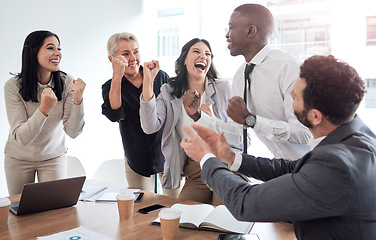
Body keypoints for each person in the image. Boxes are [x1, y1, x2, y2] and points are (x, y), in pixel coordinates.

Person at [180, 55, 376, 240]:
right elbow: (291, 169)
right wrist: (230, 157)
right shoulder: (356, 137)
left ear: (316, 116)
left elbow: (245, 203)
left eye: (296, 96)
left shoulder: (335, 165)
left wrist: (206, 158)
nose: (290, 94)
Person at [140, 38, 231, 205]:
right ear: (184, 59)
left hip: (224, 166)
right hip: (196, 171)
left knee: (221, 218)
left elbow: (239, 135)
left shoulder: (223, 88)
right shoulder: (169, 91)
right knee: (182, 217)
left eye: (208, 54)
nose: (203, 56)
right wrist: (148, 81)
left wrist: (212, 119)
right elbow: (149, 126)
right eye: (196, 51)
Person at [224, 3, 311, 159]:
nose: (227, 35)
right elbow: (237, 133)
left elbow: (305, 133)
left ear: (251, 31)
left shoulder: (288, 67)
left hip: (312, 167)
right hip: (279, 169)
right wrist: (200, 118)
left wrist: (251, 120)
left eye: (231, 28)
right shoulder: (239, 75)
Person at [4, 30, 86, 195]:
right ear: (33, 53)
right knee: (19, 212)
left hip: (53, 157)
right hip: (19, 158)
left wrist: (78, 100)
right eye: (50, 48)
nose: (58, 53)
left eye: (59, 48)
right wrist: (43, 110)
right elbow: (21, 138)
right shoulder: (13, 87)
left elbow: (73, 132)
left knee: (52, 212)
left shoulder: (67, 82)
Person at [101, 32, 177, 196]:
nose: (133, 58)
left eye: (135, 52)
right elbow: (114, 114)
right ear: (112, 59)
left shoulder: (160, 76)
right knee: (142, 210)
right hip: (137, 157)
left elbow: (175, 112)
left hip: (167, 153)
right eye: (125, 54)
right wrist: (116, 76)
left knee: (176, 206)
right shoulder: (110, 86)